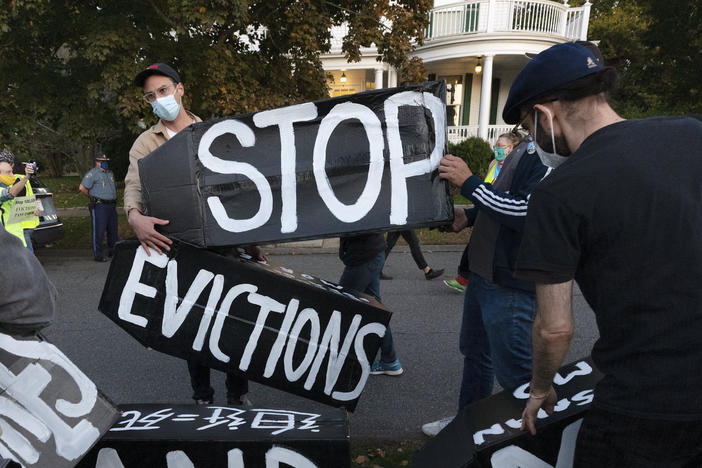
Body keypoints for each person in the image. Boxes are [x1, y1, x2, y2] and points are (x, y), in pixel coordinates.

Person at [504, 42, 702, 464]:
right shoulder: (691, 133)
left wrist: (541, 387)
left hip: (643, 404)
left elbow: (554, 329)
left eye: (526, 126)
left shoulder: (558, 193)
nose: (531, 138)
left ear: (545, 114)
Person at [126, 63, 257, 406]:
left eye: (164, 91)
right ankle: (202, 395)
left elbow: (239, 189)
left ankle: (237, 393)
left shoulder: (213, 133)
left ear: (180, 89)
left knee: (234, 320)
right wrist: (134, 217)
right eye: (151, 96)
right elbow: (134, 186)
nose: (159, 99)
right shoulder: (145, 143)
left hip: (225, 244)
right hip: (180, 247)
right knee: (193, 324)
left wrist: (253, 242)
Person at [421, 122, 547, 436]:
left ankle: (536, 441)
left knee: (516, 371)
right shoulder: (526, 147)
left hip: (510, 282)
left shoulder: (549, 154)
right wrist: (470, 215)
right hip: (483, 273)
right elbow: (504, 197)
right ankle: (468, 426)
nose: (522, 119)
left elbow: (527, 213)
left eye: (525, 110)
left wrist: (470, 183)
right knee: (477, 354)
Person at [444, 133, 520, 293]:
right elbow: (486, 186)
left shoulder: (514, 167)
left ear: (510, 148)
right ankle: (466, 278)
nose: (497, 149)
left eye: (501, 146)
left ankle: (465, 278)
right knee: (475, 245)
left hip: (495, 214)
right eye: (496, 145)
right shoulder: (493, 163)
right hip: (483, 208)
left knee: (474, 245)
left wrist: (468, 183)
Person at [338, 233, 403, 376]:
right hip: (373, 253)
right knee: (376, 310)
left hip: (363, 258)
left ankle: (331, 359)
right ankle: (390, 360)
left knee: (341, 307)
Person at [79, 155, 118, 262]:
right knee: (99, 231)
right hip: (100, 206)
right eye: (102, 161)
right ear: (97, 162)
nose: (105, 163)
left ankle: (113, 251)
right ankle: (98, 255)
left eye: (106, 161)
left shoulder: (110, 173)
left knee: (113, 230)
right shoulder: (93, 174)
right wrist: (92, 197)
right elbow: (82, 188)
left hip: (111, 205)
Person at [0, 150, 37, 250]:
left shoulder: (14, 179)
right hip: (16, 233)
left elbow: (14, 197)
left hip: (20, 229)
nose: (11, 174)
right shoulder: (18, 179)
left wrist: (33, 208)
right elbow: (10, 194)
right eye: (8, 172)